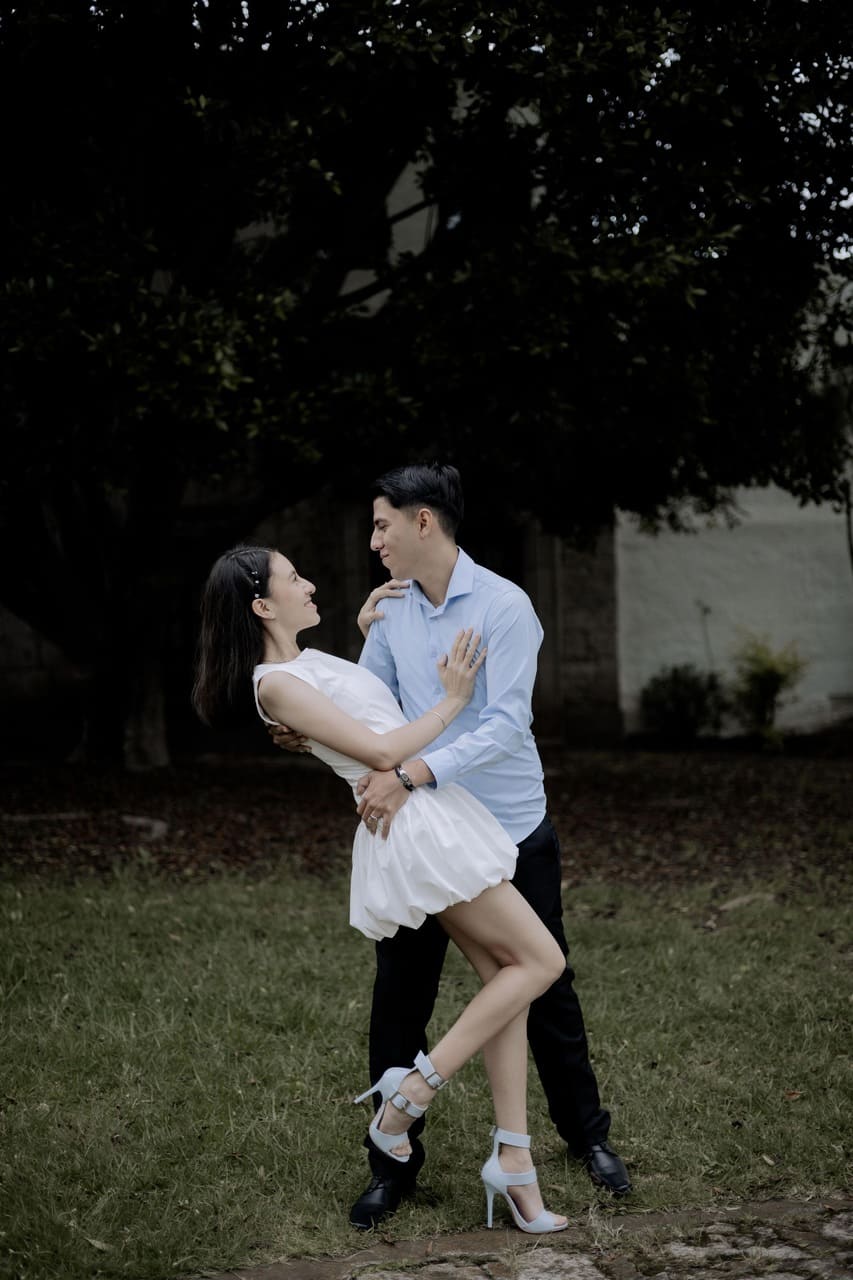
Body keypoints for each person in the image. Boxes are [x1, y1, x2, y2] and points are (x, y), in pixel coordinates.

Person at [270, 463, 631, 1230]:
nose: (374, 542)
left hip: (507, 825)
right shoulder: (390, 610)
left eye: (381, 525)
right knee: (401, 991)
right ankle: (391, 1168)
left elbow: (506, 724)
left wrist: (412, 772)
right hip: (424, 835)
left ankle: (586, 1137)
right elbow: (369, 710)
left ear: (423, 521)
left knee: (543, 985)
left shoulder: (504, 606)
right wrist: (309, 719)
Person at [192, 543, 571, 1235]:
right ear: (262, 605)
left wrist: (369, 637)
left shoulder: (305, 665)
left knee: (506, 979)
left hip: (430, 815)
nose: (310, 584)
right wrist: (455, 698)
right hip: (419, 828)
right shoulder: (274, 683)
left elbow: (368, 715)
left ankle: (514, 1160)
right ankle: (409, 1094)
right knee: (541, 961)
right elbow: (381, 752)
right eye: (293, 578)